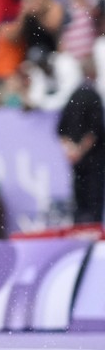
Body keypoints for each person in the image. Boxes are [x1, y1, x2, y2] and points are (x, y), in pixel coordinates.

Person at [58, 59, 105, 225]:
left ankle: (80, 235)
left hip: (77, 160)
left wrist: (72, 149)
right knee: (93, 203)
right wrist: (80, 150)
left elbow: (61, 129)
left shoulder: (73, 95)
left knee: (79, 202)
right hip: (93, 160)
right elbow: (95, 131)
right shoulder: (94, 96)